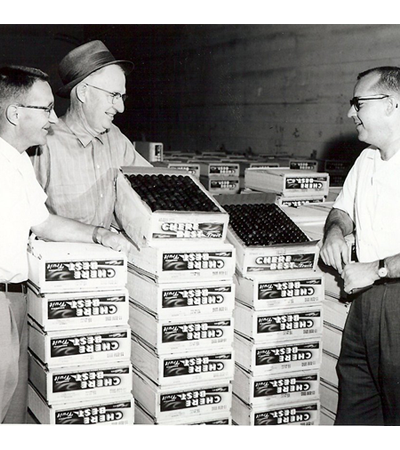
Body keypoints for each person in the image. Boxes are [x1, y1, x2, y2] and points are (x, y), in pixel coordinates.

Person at [0, 65, 131, 424]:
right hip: (9, 298)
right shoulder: (21, 157)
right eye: (45, 109)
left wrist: (97, 234)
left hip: (17, 297)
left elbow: (42, 221)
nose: (53, 118)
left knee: (13, 403)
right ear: (15, 113)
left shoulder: (18, 161)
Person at [320, 66, 400, 426]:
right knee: (357, 405)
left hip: (392, 295)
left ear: (392, 105)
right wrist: (335, 232)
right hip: (365, 300)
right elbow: (341, 210)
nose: (351, 113)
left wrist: (379, 268)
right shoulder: (366, 159)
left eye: (358, 103)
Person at [31, 40, 151, 232]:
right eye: (113, 95)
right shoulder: (43, 145)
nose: (120, 108)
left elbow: (153, 184)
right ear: (84, 93)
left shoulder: (116, 138)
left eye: (122, 96)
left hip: (109, 257)